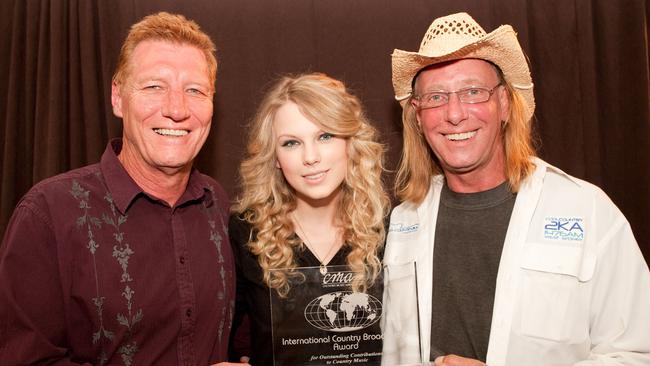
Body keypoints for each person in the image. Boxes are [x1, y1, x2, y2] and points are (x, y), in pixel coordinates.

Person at [381, 12, 650, 366]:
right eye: (435, 97)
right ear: (418, 117)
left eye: (473, 92)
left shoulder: (587, 211)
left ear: (505, 104)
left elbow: (634, 354)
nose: (455, 114)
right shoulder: (403, 221)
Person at [0, 12, 246, 365]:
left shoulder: (216, 204)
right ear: (118, 97)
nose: (176, 109)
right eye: (154, 87)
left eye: (194, 90)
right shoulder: (47, 215)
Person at [228, 73, 390, 365]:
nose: (311, 157)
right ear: (275, 157)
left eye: (325, 136)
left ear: (350, 143)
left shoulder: (390, 231)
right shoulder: (246, 233)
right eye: (291, 143)